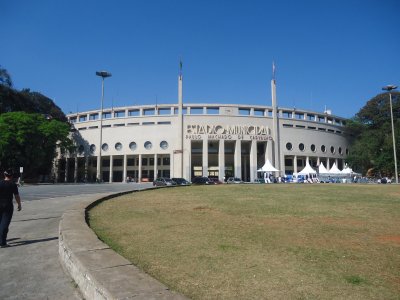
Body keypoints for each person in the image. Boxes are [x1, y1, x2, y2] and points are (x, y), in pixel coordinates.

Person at [0, 169, 22, 248]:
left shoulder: (0, 183)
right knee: (4, 224)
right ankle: (2, 242)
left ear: (4, 175)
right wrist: (19, 204)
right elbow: (16, 196)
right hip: (7, 205)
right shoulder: (13, 185)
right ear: (12, 176)